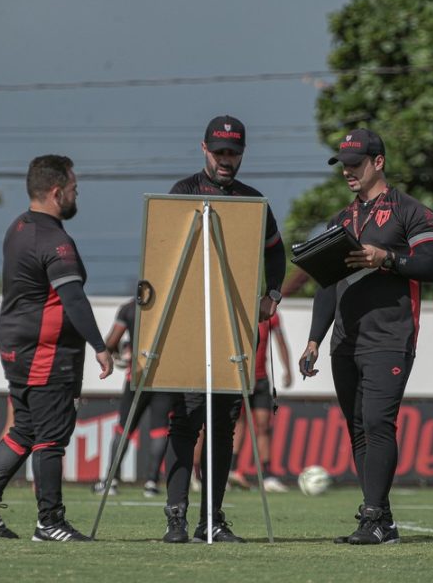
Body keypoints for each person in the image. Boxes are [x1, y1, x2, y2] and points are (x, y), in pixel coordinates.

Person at [299, 128, 433, 545]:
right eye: (343, 164)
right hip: (345, 341)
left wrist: (389, 259)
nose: (347, 171)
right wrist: (312, 340)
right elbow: (327, 286)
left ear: (378, 162)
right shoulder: (339, 221)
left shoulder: (412, 212)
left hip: (390, 336)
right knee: (359, 428)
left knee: (379, 422)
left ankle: (374, 516)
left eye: (355, 163)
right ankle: (381, 521)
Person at [0, 154, 113, 542]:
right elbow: (73, 300)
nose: (78, 194)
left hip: (15, 347)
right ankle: (50, 522)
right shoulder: (54, 240)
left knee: (24, 430)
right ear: (56, 191)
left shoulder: (17, 227)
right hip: (45, 352)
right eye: (75, 188)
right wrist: (100, 345)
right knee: (51, 437)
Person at [161, 115, 286, 543]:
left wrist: (272, 295)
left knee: (222, 427)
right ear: (204, 150)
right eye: (219, 153)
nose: (226, 160)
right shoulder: (183, 192)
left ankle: (210, 520)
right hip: (187, 330)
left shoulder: (254, 202)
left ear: (242, 154)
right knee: (185, 423)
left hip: (233, 331)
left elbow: (276, 254)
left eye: (233, 153)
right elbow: (161, 254)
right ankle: (175, 519)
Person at [92, 297, 172, 498]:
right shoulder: (171, 303)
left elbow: (111, 341)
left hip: (137, 375)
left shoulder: (131, 307)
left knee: (124, 428)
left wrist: (119, 351)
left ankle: (111, 481)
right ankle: (152, 482)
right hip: (165, 377)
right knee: (160, 430)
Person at [228, 312, 292, 492]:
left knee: (264, 425)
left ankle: (267, 475)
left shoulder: (271, 315)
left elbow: (280, 341)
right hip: (240, 379)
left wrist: (288, 369)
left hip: (261, 379)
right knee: (239, 423)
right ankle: (232, 471)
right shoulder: (241, 311)